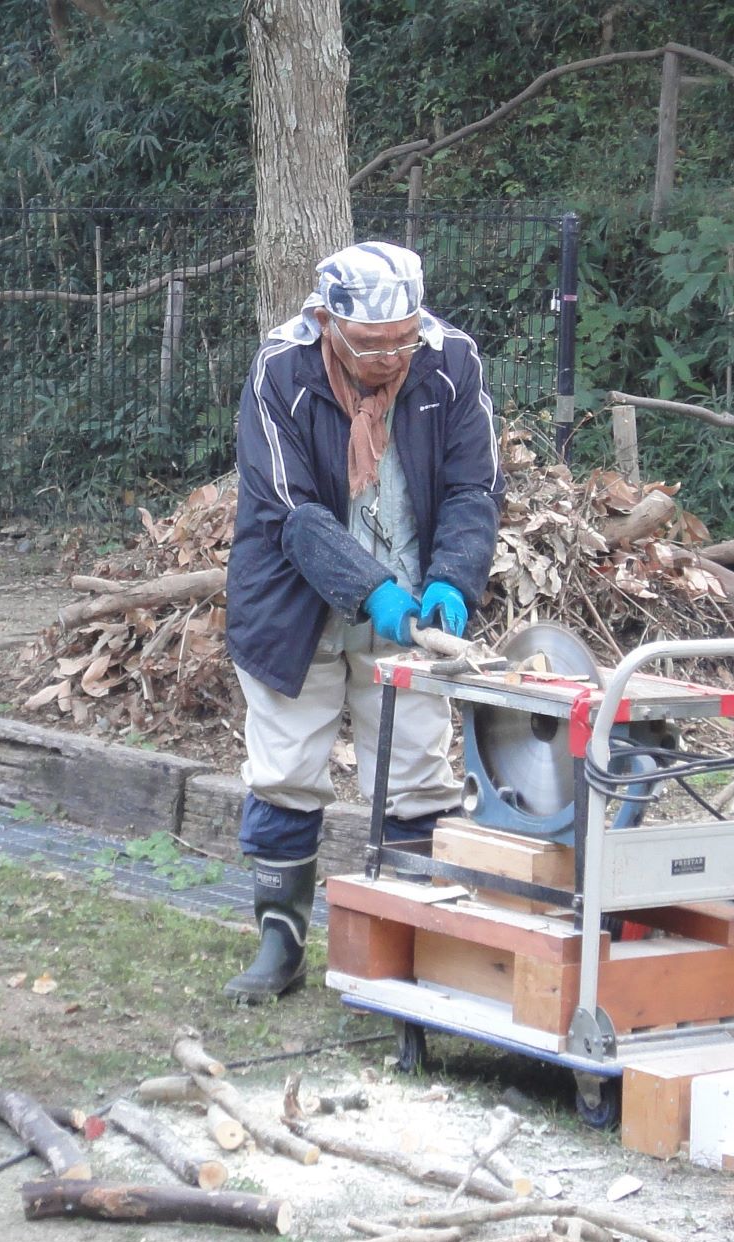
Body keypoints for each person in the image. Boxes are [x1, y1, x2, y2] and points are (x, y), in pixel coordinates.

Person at [223, 241, 505, 1003]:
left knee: (416, 772)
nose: (389, 357)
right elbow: (288, 509)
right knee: (286, 769)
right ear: (325, 321)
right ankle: (279, 943)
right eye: (370, 344)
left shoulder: (451, 362)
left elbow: (474, 486)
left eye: (402, 339)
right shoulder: (279, 370)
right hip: (293, 602)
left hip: (411, 607)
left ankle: (412, 941)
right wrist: (368, 585)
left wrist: (451, 577)